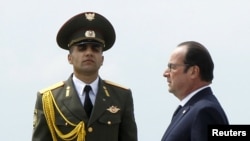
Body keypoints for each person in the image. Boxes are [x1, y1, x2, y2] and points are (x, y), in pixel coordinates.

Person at [32, 12, 137, 141]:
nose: (89, 53)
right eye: (82, 48)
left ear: (102, 59)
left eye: (95, 48)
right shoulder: (49, 99)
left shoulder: (121, 96)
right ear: (70, 58)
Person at [161, 41, 229, 141]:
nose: (165, 73)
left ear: (193, 71)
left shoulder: (205, 111)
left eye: (173, 67)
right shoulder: (188, 109)